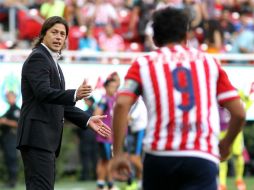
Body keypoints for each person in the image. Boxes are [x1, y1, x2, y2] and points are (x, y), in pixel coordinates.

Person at [111, 6, 246, 190]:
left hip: (159, 156)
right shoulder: (209, 63)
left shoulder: (143, 64)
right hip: (200, 156)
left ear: (155, 38)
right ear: (186, 36)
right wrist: (226, 144)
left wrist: (118, 154)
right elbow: (238, 112)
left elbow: (121, 104)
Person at [16, 16, 111, 190]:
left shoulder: (52, 62)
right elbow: (43, 93)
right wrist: (74, 94)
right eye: (54, 32)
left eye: (63, 34)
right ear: (43, 34)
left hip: (44, 139)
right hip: (37, 137)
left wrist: (88, 119)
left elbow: (60, 104)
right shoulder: (38, 58)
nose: (59, 37)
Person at [94, 77, 119, 190]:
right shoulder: (104, 100)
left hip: (111, 136)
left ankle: (101, 185)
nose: (114, 89)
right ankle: (109, 185)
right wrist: (104, 130)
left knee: (105, 160)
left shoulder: (113, 99)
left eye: (115, 87)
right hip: (105, 136)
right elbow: (96, 114)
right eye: (112, 86)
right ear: (106, 87)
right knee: (107, 160)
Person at [218, 107, 246, 190]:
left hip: (235, 127)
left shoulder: (240, 94)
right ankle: (222, 184)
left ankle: (239, 180)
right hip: (220, 128)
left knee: (238, 153)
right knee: (221, 156)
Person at [124, 97, 147, 190]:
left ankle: (144, 180)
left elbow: (129, 119)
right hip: (133, 132)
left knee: (135, 158)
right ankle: (138, 181)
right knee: (132, 158)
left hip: (140, 132)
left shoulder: (139, 104)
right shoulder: (133, 103)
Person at [75, 96, 98, 181]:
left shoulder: (85, 113)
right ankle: (96, 175)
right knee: (95, 157)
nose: (85, 101)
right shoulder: (96, 112)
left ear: (90, 102)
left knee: (85, 157)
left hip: (85, 137)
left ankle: (85, 175)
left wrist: (79, 136)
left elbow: (79, 126)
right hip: (95, 138)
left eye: (87, 100)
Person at [0, 91, 20, 188]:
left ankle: (13, 181)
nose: (8, 98)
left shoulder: (16, 110)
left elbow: (18, 124)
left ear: (14, 97)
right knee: (8, 159)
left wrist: (5, 121)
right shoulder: (9, 110)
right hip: (5, 137)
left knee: (12, 158)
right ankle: (10, 181)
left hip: (11, 137)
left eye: (10, 97)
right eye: (7, 97)